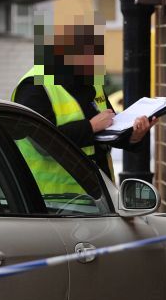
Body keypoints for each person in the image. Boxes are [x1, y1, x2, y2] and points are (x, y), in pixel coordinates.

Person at [12, 16, 155, 181]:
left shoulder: (90, 81)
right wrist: (90, 127)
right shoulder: (34, 86)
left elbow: (110, 128)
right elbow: (43, 142)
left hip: (101, 191)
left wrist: (134, 136)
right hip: (55, 198)